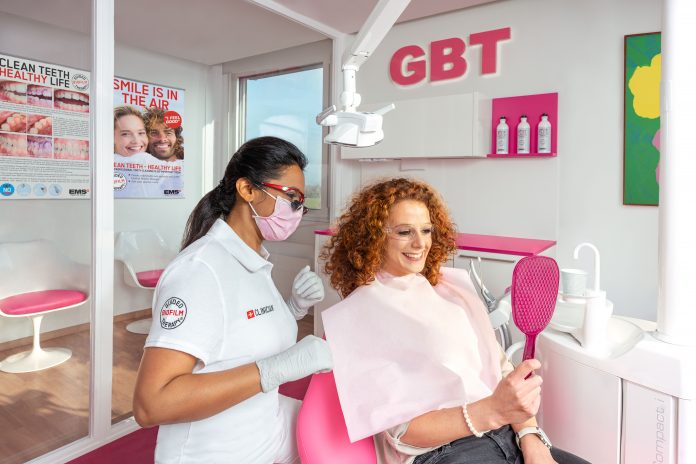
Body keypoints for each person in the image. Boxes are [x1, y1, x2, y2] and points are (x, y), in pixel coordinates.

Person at [320, 178, 589, 464]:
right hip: (441, 453)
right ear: (373, 236)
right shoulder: (362, 312)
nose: (419, 243)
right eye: (404, 232)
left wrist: (532, 440)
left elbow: (502, 373)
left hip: (507, 435)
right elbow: (402, 432)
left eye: (426, 230)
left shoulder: (451, 290)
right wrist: (492, 411)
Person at [133, 136, 333, 464]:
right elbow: (151, 404)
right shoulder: (199, 272)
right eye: (291, 198)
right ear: (247, 189)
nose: (296, 211)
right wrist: (274, 370)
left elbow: (236, 337)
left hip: (266, 438)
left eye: (302, 203)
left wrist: (293, 308)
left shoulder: (252, 259)